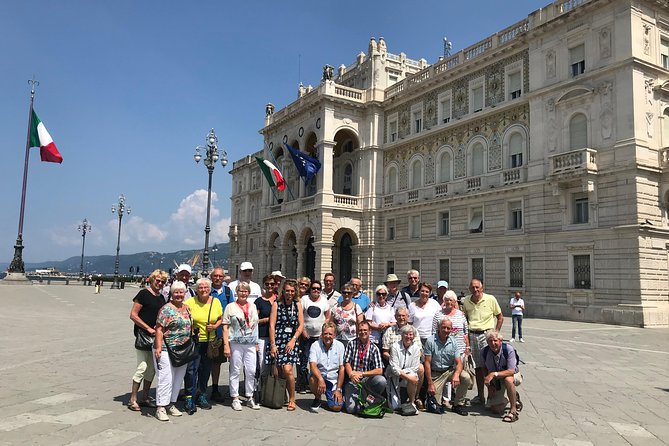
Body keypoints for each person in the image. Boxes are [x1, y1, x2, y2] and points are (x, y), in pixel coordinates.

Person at [127, 269, 167, 412]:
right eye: (157, 280)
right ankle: (133, 399)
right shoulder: (143, 294)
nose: (160, 283)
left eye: (163, 281)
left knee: (151, 370)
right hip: (143, 336)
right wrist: (148, 328)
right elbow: (133, 315)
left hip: (155, 337)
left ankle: (145, 397)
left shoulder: (161, 297)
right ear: (151, 279)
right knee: (142, 367)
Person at [153, 281, 191, 421]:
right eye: (176, 292)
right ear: (171, 293)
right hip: (166, 348)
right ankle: (161, 407)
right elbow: (159, 329)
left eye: (181, 292)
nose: (179, 295)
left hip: (183, 349)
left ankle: (171, 403)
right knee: (166, 378)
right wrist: (158, 347)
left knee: (178, 377)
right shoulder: (166, 309)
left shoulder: (187, 308)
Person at [462, 278, 503, 405]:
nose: (475, 290)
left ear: (482, 287)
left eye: (477, 287)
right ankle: (480, 396)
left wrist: (495, 333)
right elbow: (465, 320)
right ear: (469, 289)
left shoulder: (490, 299)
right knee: (478, 367)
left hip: (487, 335)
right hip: (473, 334)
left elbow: (500, 317)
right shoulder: (467, 301)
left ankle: (493, 395)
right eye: (472, 288)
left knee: (489, 365)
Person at [184, 277, 223, 413]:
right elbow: (184, 319)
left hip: (210, 342)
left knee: (205, 370)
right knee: (191, 370)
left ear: (210, 289)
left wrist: (215, 326)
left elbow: (221, 318)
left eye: (206, 287)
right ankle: (189, 396)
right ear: (196, 289)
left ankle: (202, 394)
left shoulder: (216, 302)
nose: (203, 290)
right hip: (195, 341)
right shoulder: (189, 302)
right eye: (200, 287)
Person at [223, 281, 260, 411]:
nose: (243, 293)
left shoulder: (253, 307)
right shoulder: (230, 307)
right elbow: (225, 327)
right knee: (235, 369)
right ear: (236, 292)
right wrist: (226, 345)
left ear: (249, 293)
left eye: (245, 291)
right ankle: (235, 397)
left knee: (251, 370)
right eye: (241, 291)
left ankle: (250, 396)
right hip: (235, 342)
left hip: (250, 342)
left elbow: (255, 325)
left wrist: (256, 343)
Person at [423, 318, 472, 416]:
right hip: (435, 373)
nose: (446, 330)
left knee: (466, 377)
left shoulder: (453, 341)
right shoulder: (430, 341)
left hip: (449, 371)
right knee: (433, 404)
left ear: (451, 329)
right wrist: (430, 383)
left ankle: (458, 404)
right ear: (439, 328)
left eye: (448, 328)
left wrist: (457, 375)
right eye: (443, 327)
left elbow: (459, 362)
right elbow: (427, 363)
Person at [269, 279, 304, 411]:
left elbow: (301, 325)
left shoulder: (297, 305)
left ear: (295, 292)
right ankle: (280, 395)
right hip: (278, 340)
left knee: (288, 370)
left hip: (291, 340)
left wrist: (293, 339)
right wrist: (273, 344)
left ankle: (292, 398)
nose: (289, 293)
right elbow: (272, 325)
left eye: (292, 291)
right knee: (278, 372)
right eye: (287, 290)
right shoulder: (276, 304)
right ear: (283, 291)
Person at [343, 320, 387, 414]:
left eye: (365, 330)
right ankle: (351, 398)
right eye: (361, 330)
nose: (363, 332)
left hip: (367, 381)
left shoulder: (374, 348)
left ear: (370, 331)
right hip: (353, 380)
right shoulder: (351, 344)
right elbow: (347, 363)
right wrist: (351, 374)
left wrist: (362, 374)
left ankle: (370, 399)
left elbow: (379, 370)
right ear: (358, 331)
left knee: (381, 380)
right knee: (351, 409)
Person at [481, 330, 522, 422]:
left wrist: (494, 374)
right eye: (490, 341)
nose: (493, 343)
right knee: (495, 409)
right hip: (497, 379)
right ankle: (512, 396)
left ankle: (513, 410)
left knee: (508, 380)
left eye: (495, 340)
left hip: (512, 375)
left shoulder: (508, 349)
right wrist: (489, 386)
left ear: (500, 340)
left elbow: (511, 371)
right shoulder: (484, 352)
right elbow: (484, 368)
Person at [298, 279, 330, 394]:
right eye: (313, 288)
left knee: (318, 361)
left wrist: (323, 332)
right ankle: (301, 384)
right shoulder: (304, 299)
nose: (316, 290)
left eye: (318, 289)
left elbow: (327, 317)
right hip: (306, 335)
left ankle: (315, 383)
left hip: (319, 336)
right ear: (310, 289)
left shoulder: (324, 301)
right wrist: (303, 330)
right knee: (303, 360)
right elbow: (300, 315)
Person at [308, 321, 345, 412]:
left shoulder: (340, 346)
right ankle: (318, 398)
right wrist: (320, 379)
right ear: (322, 334)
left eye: (330, 334)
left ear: (334, 335)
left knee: (337, 407)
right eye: (325, 333)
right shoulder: (315, 345)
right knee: (312, 378)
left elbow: (341, 369)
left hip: (333, 380)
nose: (327, 336)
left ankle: (330, 397)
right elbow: (312, 365)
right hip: (320, 376)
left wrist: (338, 389)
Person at [210, 266, 234, 402]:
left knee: (217, 363)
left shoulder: (227, 291)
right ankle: (199, 388)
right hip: (207, 332)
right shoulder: (206, 289)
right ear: (211, 277)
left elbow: (231, 309)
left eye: (220, 276)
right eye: (215, 276)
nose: (218, 278)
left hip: (222, 333)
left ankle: (214, 388)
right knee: (204, 362)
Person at [387, 325, 421, 412]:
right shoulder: (395, 346)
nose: (408, 337)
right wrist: (407, 376)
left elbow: (415, 368)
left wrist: (405, 374)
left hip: (406, 375)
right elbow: (394, 368)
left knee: (414, 376)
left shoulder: (416, 348)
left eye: (410, 335)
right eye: (406, 334)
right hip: (393, 376)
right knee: (394, 407)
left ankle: (412, 402)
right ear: (401, 335)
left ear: (413, 336)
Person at [254, 274, 276, 394]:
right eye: (267, 284)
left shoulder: (278, 300)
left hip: (277, 337)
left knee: (276, 366)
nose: (269, 286)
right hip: (263, 336)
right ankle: (261, 390)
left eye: (272, 284)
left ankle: (274, 389)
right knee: (263, 365)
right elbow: (254, 320)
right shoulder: (259, 301)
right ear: (264, 285)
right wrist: (268, 319)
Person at [432, 290, 469, 355]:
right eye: (447, 300)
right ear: (444, 301)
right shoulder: (438, 314)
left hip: (460, 349)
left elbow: (466, 332)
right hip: (442, 350)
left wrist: (467, 347)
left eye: (451, 300)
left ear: (455, 302)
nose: (449, 302)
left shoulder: (461, 314)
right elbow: (434, 332)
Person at [331, 283, 364, 347]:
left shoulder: (356, 307)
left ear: (352, 293)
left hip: (352, 340)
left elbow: (360, 324)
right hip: (337, 340)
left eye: (349, 293)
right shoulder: (336, 307)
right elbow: (331, 323)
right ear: (341, 293)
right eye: (344, 292)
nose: (346, 294)